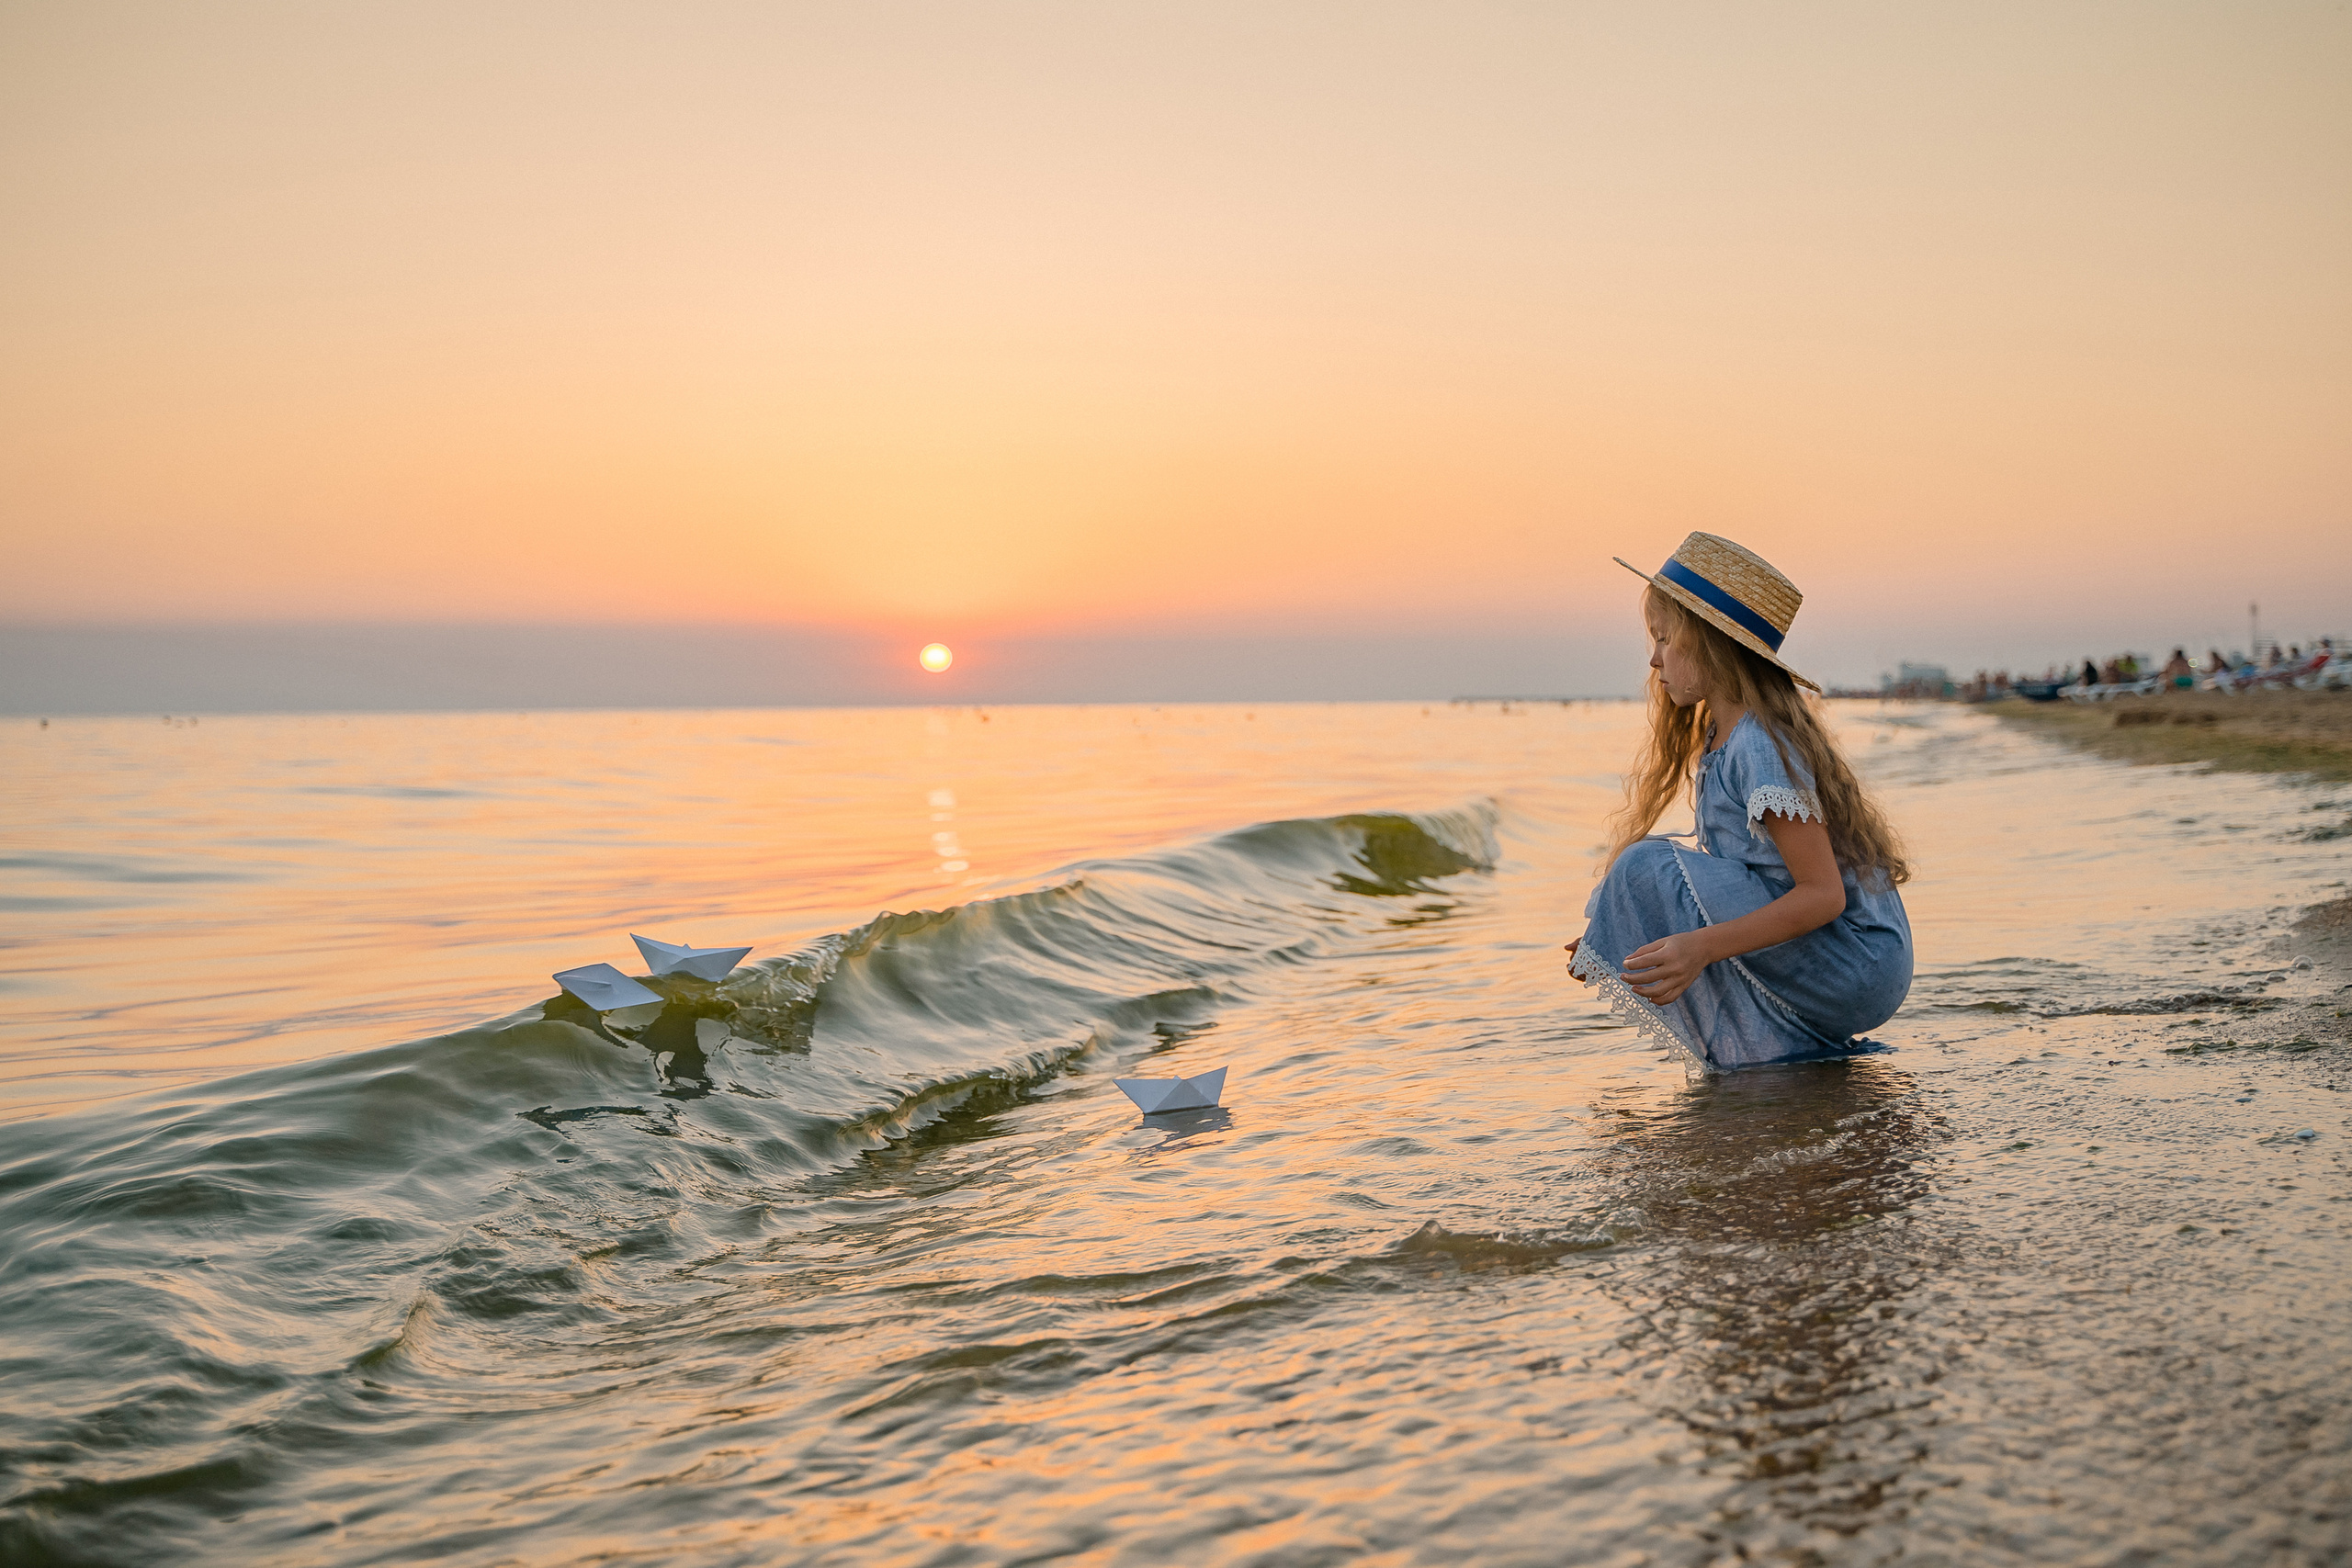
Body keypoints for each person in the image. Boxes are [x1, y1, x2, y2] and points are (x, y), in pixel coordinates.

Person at [1562, 532, 1913, 1070]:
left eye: (1664, 639)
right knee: (1646, 878)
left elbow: (1823, 896)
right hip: (1846, 961)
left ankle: (1772, 1057)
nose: (1653, 660)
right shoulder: (1724, 738)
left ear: (1711, 644)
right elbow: (1737, 878)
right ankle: (1784, 1060)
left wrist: (1699, 947)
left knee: (1645, 867)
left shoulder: (1757, 743)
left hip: (1856, 960)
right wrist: (1621, 923)